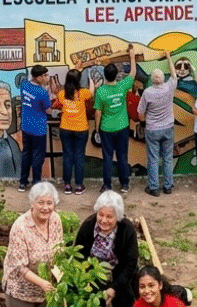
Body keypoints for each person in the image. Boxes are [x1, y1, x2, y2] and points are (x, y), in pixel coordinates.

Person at [75, 190, 139, 307]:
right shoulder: (88, 226)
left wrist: (113, 288)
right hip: (93, 278)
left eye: (109, 216)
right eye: (101, 215)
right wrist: (87, 281)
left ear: (117, 216)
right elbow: (79, 256)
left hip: (121, 279)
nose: (103, 220)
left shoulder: (127, 230)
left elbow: (130, 263)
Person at [95, 45, 138, 193]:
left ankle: (107, 185)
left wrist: (96, 129)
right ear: (116, 75)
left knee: (107, 157)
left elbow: (98, 113)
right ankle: (124, 184)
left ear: (105, 76)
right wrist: (132, 57)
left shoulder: (101, 91)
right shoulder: (122, 86)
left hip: (106, 128)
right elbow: (133, 73)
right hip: (122, 127)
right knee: (122, 156)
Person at [138, 51, 176, 197]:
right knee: (167, 158)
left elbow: (141, 112)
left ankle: (153, 188)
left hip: (152, 129)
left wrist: (143, 123)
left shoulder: (147, 92)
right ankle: (168, 186)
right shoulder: (169, 88)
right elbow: (174, 75)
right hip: (168, 127)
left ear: (152, 79)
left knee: (153, 158)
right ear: (162, 78)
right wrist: (168, 57)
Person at [56, 69, 98, 196]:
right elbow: (91, 91)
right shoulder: (83, 93)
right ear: (79, 80)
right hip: (80, 129)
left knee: (67, 156)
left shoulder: (62, 94)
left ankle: (67, 185)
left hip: (65, 128)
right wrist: (91, 80)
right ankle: (79, 185)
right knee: (79, 157)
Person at [18, 65, 52, 192]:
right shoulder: (42, 93)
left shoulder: (24, 85)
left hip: (26, 126)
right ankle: (36, 182)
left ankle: (22, 182)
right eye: (45, 75)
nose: (47, 77)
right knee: (38, 156)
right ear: (39, 77)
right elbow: (48, 110)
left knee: (26, 154)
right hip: (38, 129)